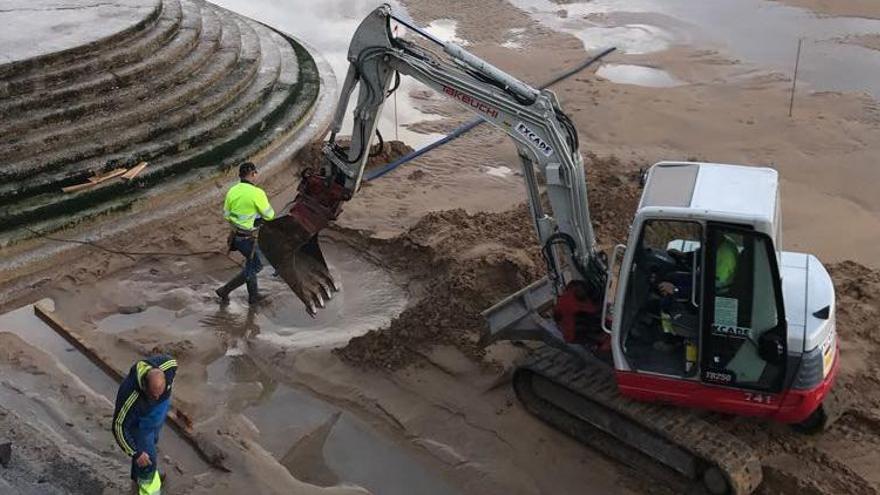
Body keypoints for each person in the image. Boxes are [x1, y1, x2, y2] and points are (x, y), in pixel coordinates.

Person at [112, 355, 177, 495]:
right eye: (154, 395)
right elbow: (118, 427)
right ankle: (149, 488)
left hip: (156, 416)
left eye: (161, 392)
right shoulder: (130, 394)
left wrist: (160, 399)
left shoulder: (169, 366)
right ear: (145, 387)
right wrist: (135, 452)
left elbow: (173, 362)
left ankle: (138, 477)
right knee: (147, 460)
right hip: (141, 424)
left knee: (153, 442)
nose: (157, 397)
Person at [216, 161, 275, 304]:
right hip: (248, 238)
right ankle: (225, 290)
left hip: (235, 236)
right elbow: (270, 215)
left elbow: (226, 214)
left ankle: (253, 297)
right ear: (253, 174)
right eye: (255, 173)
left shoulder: (232, 190)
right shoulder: (257, 193)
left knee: (250, 263)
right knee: (255, 266)